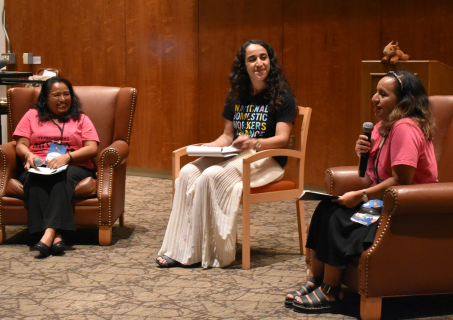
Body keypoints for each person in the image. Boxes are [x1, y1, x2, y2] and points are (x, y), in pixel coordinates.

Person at [285, 70, 438, 313]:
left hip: (409, 210)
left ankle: (331, 290)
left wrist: (361, 196)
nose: (374, 98)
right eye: (375, 92)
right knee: (327, 208)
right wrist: (364, 156)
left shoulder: (405, 128)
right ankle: (314, 281)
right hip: (384, 202)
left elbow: (401, 181)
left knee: (339, 219)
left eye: (382, 94)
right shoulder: (380, 128)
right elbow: (369, 178)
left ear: (403, 101)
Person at [156, 39, 297, 268]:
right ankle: (179, 247)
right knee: (188, 171)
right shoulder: (236, 95)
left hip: (267, 159)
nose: (259, 63)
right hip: (237, 155)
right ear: (244, 66)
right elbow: (227, 136)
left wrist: (254, 142)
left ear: (271, 61)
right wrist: (210, 146)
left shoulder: (282, 96)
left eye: (263, 57)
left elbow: (282, 139)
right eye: (252, 59)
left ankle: (207, 251)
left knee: (211, 176)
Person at [13, 76, 99, 258]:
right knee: (34, 177)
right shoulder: (31, 116)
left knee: (62, 176)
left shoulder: (81, 119)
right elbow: (21, 144)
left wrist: (66, 157)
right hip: (39, 164)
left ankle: (47, 233)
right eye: (56, 95)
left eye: (66, 94)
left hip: (75, 164)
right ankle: (57, 235)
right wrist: (29, 155)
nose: (62, 99)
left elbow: (92, 148)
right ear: (45, 99)